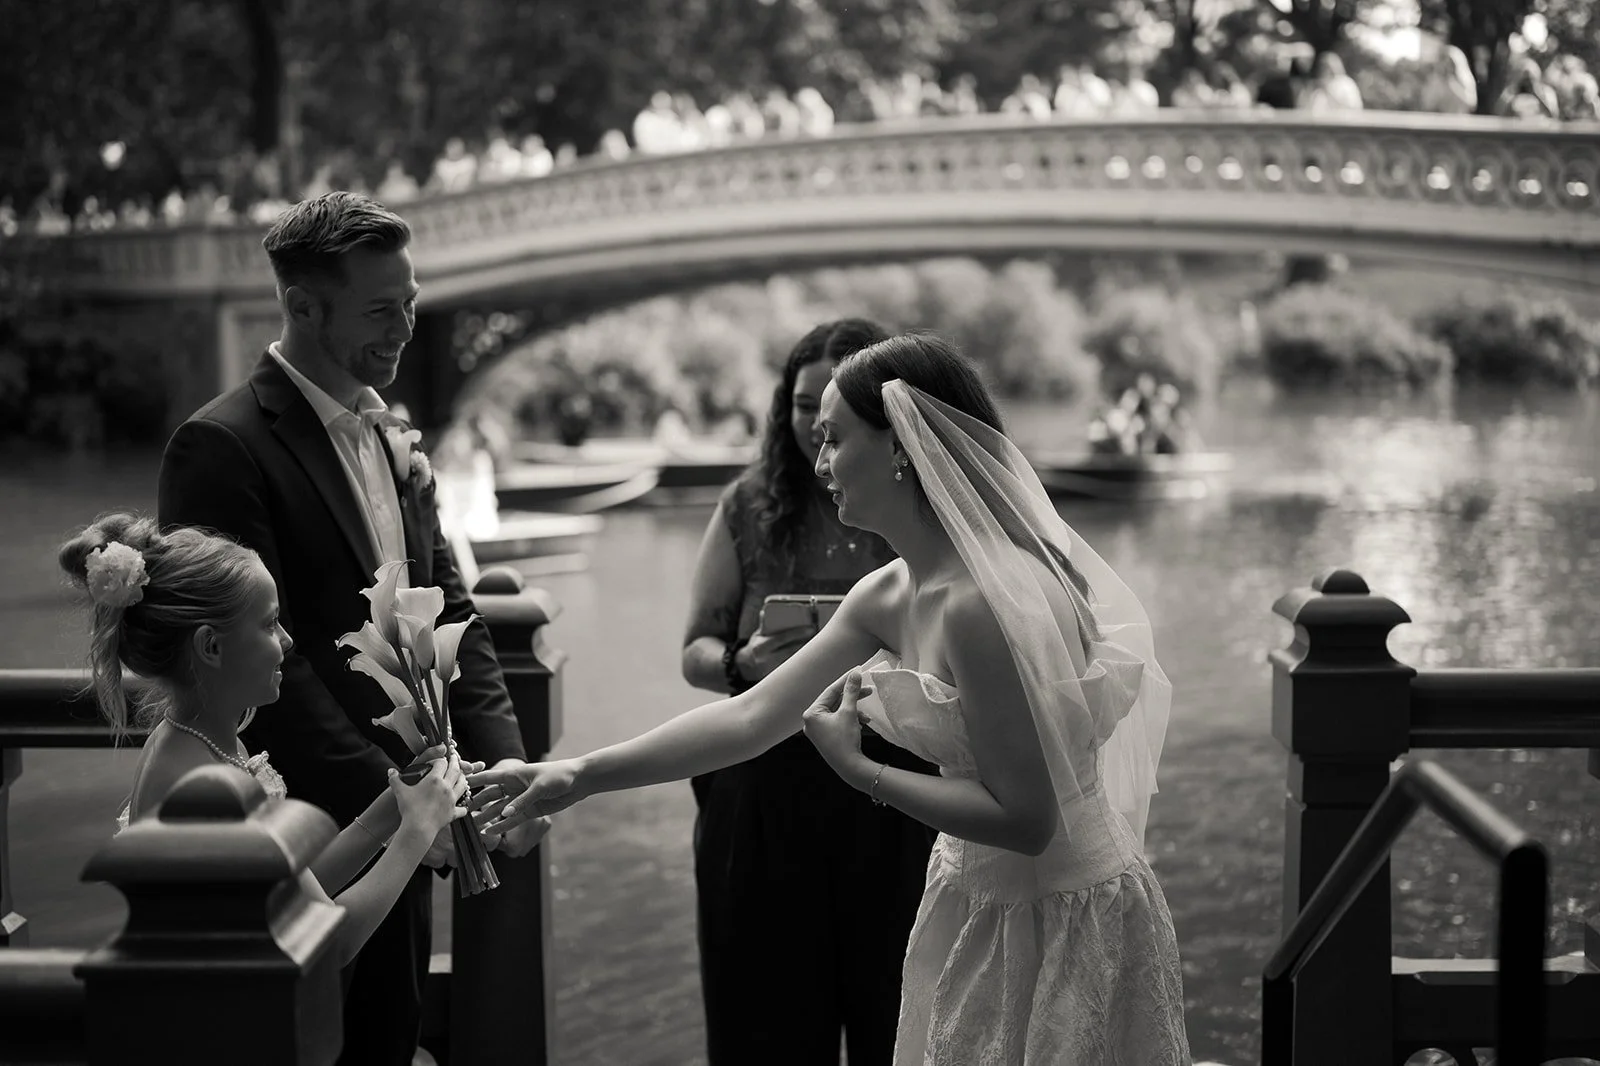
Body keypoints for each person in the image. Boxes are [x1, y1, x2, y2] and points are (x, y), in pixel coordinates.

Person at [472, 334, 1190, 1064]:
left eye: (834, 440)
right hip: (972, 900)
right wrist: (578, 777)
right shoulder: (890, 591)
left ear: (902, 447)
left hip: (1061, 916)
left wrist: (862, 772)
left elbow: (1029, 821)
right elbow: (752, 717)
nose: (819, 466)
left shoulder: (981, 603)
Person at [157, 191, 545, 1066]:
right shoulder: (219, 445)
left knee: (388, 1038)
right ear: (301, 307)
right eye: (380, 309)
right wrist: (398, 804)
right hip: (301, 832)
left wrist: (505, 762)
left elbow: (447, 602)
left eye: (409, 303)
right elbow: (258, 659)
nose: (406, 327)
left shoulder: (397, 436)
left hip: (407, 822)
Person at [680, 319, 937, 1064]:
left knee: (900, 1011)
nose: (813, 433)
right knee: (765, 1018)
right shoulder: (749, 503)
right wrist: (747, 661)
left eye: (831, 417)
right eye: (799, 408)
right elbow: (695, 650)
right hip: (765, 786)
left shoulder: (920, 508)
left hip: (901, 785)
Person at [59, 513, 471, 967]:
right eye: (270, 624)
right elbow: (328, 942)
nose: (288, 641)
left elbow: (295, 885)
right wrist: (418, 832)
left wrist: (396, 808)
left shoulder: (196, 742)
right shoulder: (205, 786)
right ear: (211, 647)